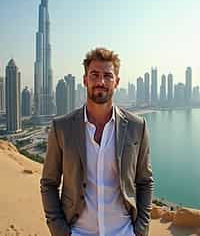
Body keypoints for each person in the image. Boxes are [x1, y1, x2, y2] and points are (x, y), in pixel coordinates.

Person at [40, 48, 153, 236]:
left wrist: (140, 230)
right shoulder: (62, 127)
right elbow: (49, 183)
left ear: (116, 82)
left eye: (108, 76)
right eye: (94, 75)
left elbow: (144, 181)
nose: (101, 82)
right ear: (85, 80)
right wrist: (60, 231)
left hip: (124, 232)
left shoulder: (137, 126)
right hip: (77, 232)